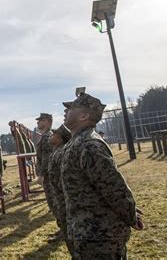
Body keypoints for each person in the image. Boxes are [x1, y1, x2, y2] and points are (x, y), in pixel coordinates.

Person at [62, 92, 144, 259]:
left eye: (71, 108)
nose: (66, 111)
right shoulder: (77, 142)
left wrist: (130, 215)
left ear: (84, 116)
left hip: (101, 236)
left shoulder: (89, 145)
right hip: (86, 233)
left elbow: (114, 188)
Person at [46, 125, 72, 251]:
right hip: (59, 196)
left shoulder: (61, 153)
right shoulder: (57, 151)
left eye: (54, 134)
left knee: (69, 228)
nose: (51, 135)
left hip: (64, 197)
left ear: (61, 139)